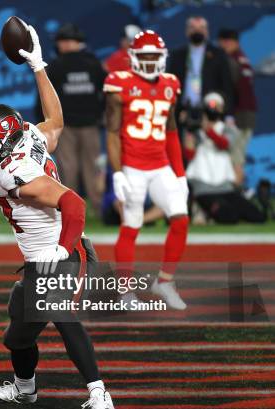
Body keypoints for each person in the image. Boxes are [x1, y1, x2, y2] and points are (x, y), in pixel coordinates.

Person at [0, 26, 117, 409]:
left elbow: (74, 202)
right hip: (39, 258)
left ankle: (100, 395)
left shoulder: (11, 172)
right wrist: (37, 66)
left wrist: (63, 248)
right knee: (16, 337)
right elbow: (55, 118)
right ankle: (24, 389)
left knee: (62, 314)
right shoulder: (28, 138)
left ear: (3, 143)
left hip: (64, 251)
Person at [104, 30, 189, 310]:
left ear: (163, 57)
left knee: (181, 219)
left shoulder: (170, 84)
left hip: (161, 164)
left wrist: (180, 173)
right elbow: (113, 133)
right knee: (132, 225)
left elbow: (172, 132)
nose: (151, 61)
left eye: (155, 56)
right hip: (133, 167)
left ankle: (164, 282)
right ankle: (125, 291)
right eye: (145, 56)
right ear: (133, 58)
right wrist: (117, 172)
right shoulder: (120, 83)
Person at [34, 23, 107, 215]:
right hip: (90, 124)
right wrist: (101, 114)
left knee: (68, 169)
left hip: (63, 127)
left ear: (65, 43)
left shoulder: (57, 65)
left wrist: (43, 124)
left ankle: (67, 209)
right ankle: (99, 208)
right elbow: (107, 93)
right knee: (93, 167)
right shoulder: (93, 63)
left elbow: (44, 96)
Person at [185, 92, 265, 224]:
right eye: (210, 106)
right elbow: (189, 155)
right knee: (229, 217)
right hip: (203, 188)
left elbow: (224, 144)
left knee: (257, 216)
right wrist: (190, 131)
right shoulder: (195, 129)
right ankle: (201, 211)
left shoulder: (228, 129)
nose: (213, 110)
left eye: (217, 106)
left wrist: (208, 130)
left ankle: (206, 214)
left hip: (225, 187)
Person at [168, 16, 234, 125]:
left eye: (201, 28)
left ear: (207, 32)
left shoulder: (218, 55)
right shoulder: (177, 55)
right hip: (182, 112)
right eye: (193, 28)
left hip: (210, 112)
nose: (197, 31)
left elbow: (227, 85)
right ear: (187, 31)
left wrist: (229, 114)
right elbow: (170, 84)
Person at [217, 28, 258, 186]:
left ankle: (236, 194)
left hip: (239, 114)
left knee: (235, 158)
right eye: (223, 41)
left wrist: (230, 114)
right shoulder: (242, 58)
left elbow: (231, 90)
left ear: (235, 42)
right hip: (246, 113)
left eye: (227, 41)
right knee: (236, 158)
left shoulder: (232, 61)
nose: (224, 44)